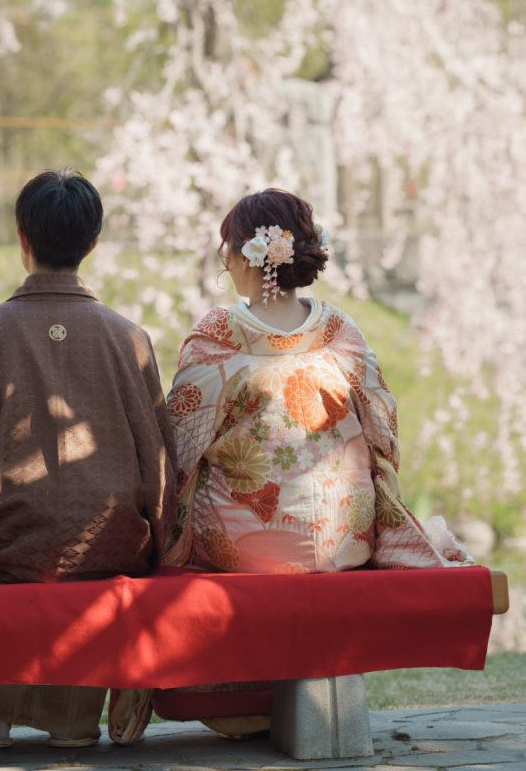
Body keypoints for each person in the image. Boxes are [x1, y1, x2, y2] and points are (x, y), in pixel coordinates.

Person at [163, 187, 470, 736]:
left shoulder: (218, 333)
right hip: (342, 538)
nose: (223, 261)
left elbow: (180, 443)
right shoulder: (340, 331)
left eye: (225, 250)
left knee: (191, 501)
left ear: (244, 255)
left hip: (243, 547)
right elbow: (383, 428)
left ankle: (235, 701)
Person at [0, 168, 177, 749]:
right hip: (108, 544)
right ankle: (72, 721)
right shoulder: (128, 338)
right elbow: (158, 457)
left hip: (9, 548)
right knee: (75, 545)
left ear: (21, 239)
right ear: (93, 244)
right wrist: (161, 539)